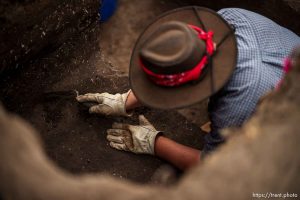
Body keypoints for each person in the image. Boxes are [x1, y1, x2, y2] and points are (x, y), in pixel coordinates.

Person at [77, 7, 300, 170]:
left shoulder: (238, 103)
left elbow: (212, 165)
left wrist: (154, 143)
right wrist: (124, 101)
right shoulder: (227, 20)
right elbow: (177, 68)